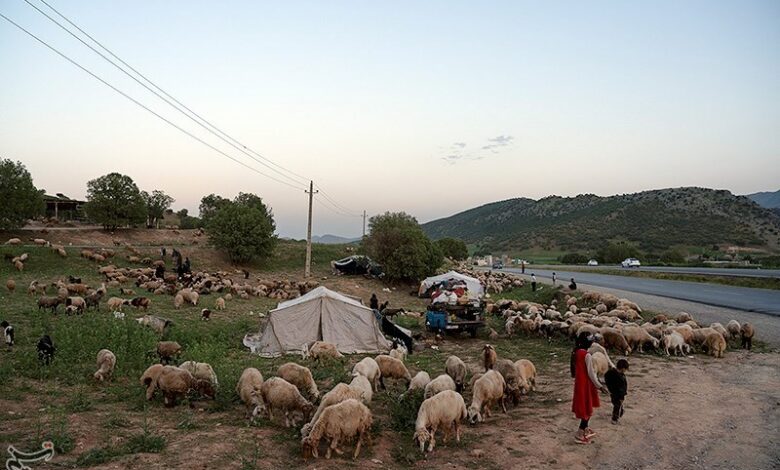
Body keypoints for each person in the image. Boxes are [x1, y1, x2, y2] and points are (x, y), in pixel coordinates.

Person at [571, 331, 607, 444]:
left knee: (585, 406)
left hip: (579, 383)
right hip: (586, 384)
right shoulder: (587, 355)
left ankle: (586, 429)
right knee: (587, 407)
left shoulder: (576, 352)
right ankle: (580, 433)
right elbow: (591, 374)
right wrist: (600, 386)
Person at [604, 359, 629, 424]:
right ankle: (614, 419)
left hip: (612, 392)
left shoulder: (610, 372)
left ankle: (619, 413)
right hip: (619, 394)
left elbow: (606, 378)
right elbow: (622, 388)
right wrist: (622, 397)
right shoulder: (621, 377)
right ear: (623, 368)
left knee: (615, 404)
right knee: (617, 405)